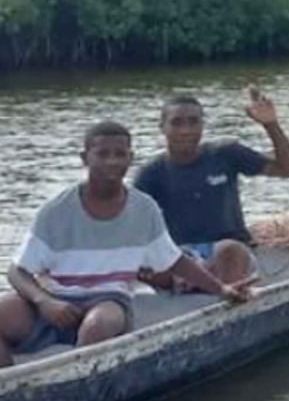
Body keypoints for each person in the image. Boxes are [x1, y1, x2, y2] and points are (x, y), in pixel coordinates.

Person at [1, 122, 249, 367]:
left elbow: (173, 260)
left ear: (130, 159)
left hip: (107, 300)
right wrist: (44, 301)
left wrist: (221, 289)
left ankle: (83, 380)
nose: (112, 161)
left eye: (119, 154)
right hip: (54, 298)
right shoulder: (56, 210)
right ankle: (11, 385)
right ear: (85, 158)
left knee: (96, 326)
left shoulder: (144, 209)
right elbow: (17, 271)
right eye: (102, 154)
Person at [134, 87, 289, 291]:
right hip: (183, 255)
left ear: (202, 125)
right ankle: (194, 281)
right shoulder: (151, 173)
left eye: (193, 122)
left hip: (230, 250)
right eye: (177, 123)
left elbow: (288, 169)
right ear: (163, 127)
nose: (186, 130)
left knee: (229, 250)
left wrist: (271, 125)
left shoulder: (226, 154)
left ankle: (219, 290)